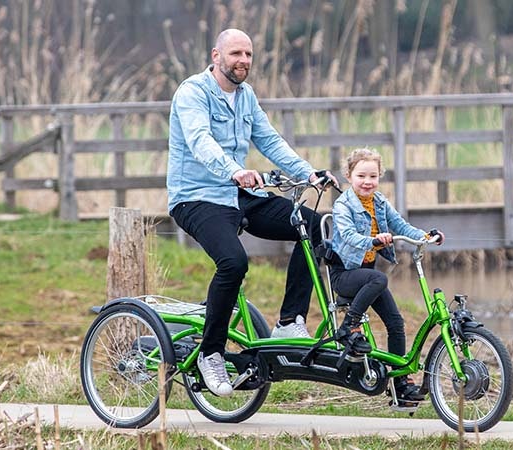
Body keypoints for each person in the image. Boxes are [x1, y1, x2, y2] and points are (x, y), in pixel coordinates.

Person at [167, 28, 336, 397]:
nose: (243, 61)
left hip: (238, 193)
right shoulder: (192, 92)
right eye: (235, 54)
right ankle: (210, 354)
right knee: (233, 263)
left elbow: (269, 139)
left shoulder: (246, 97)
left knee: (316, 225)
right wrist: (234, 170)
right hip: (197, 197)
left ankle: (290, 321)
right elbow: (200, 141)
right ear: (216, 55)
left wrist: (307, 172)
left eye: (248, 55)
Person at [330, 148, 444, 403]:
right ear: (349, 175)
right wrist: (373, 240)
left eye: (373, 176)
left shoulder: (379, 202)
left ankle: (399, 384)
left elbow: (400, 225)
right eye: (361, 176)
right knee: (380, 280)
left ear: (380, 176)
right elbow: (348, 236)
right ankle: (348, 327)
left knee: (396, 323)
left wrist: (425, 237)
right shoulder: (343, 205)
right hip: (345, 274)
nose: (367, 182)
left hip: (367, 276)